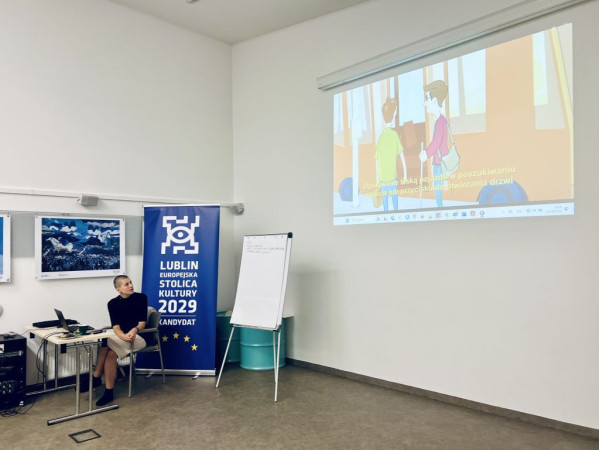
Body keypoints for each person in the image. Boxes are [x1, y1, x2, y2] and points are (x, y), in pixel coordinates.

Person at [83, 275, 147, 406]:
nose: (131, 285)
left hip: (138, 337)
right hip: (122, 337)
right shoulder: (112, 303)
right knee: (111, 353)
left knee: (106, 342)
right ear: (118, 289)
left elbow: (142, 323)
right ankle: (108, 391)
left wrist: (134, 330)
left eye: (130, 282)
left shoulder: (141, 298)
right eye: (126, 284)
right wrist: (123, 336)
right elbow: (116, 327)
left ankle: (96, 377)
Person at [419, 80, 449, 207]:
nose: (425, 103)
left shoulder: (440, 122)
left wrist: (426, 154)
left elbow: (436, 142)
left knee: (438, 190)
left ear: (435, 100)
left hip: (440, 163)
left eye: (427, 99)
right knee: (438, 189)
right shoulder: (440, 120)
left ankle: (440, 209)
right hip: (439, 162)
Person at [375, 97, 407, 211]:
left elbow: (377, 160)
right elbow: (402, 156)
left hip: (383, 178)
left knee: (385, 202)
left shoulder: (381, 138)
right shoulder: (394, 135)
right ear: (393, 114)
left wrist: (377, 179)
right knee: (394, 200)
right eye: (396, 111)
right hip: (392, 177)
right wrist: (405, 175)